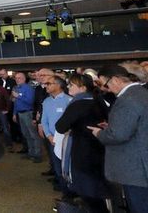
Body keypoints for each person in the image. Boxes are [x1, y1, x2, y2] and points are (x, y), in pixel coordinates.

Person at [88, 65, 148, 213]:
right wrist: (112, 125)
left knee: (139, 205)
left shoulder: (128, 99)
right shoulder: (140, 92)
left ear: (115, 79)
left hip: (136, 168)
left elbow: (118, 135)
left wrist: (99, 133)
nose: (104, 88)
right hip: (140, 161)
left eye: (104, 84)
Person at [54, 73, 109, 212]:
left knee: (88, 191)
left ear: (83, 88)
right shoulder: (98, 100)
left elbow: (60, 126)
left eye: (71, 85)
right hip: (100, 148)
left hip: (83, 152)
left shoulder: (78, 103)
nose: (68, 87)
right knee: (96, 189)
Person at [41, 75, 72, 197]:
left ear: (58, 85)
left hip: (67, 139)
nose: (46, 86)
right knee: (58, 169)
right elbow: (44, 121)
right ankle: (66, 194)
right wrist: (48, 136)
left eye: (49, 83)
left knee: (69, 167)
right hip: (52, 140)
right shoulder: (46, 101)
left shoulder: (69, 100)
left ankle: (74, 191)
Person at [12, 72, 41, 163]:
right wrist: (14, 113)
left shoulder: (28, 88)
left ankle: (37, 155)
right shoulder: (16, 88)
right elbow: (15, 102)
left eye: (19, 78)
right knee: (26, 135)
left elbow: (30, 102)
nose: (17, 79)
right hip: (20, 114)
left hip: (28, 113)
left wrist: (18, 96)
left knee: (33, 135)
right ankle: (31, 153)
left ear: (24, 79)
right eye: (16, 78)